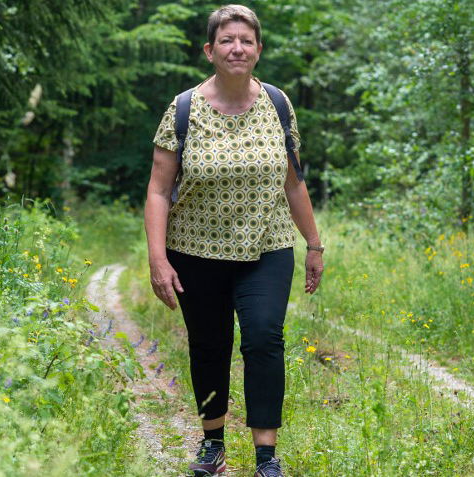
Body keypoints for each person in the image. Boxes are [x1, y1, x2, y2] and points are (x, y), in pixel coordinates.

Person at [143, 5, 324, 477]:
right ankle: (212, 444)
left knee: (264, 337)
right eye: (227, 40)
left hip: (267, 246)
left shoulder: (279, 104)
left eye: (246, 40)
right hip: (196, 248)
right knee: (209, 343)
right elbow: (159, 189)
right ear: (210, 50)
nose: (237, 48)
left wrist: (314, 245)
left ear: (259, 50)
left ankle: (266, 455)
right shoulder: (182, 109)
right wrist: (158, 258)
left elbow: (294, 182)